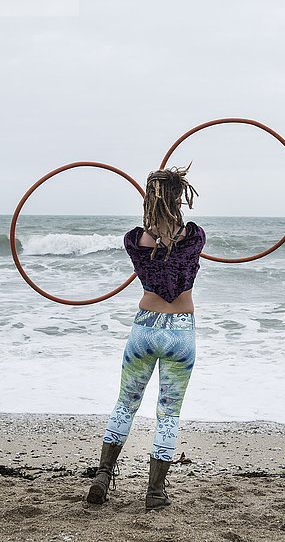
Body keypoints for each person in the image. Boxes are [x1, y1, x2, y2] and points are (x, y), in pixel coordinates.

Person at [86, 164, 206, 510]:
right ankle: (155, 492)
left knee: (125, 404)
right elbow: (179, 256)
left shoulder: (135, 240)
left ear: (148, 200)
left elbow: (157, 259)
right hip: (181, 330)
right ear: (180, 197)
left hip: (145, 328)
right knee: (168, 413)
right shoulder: (195, 236)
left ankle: (103, 476)